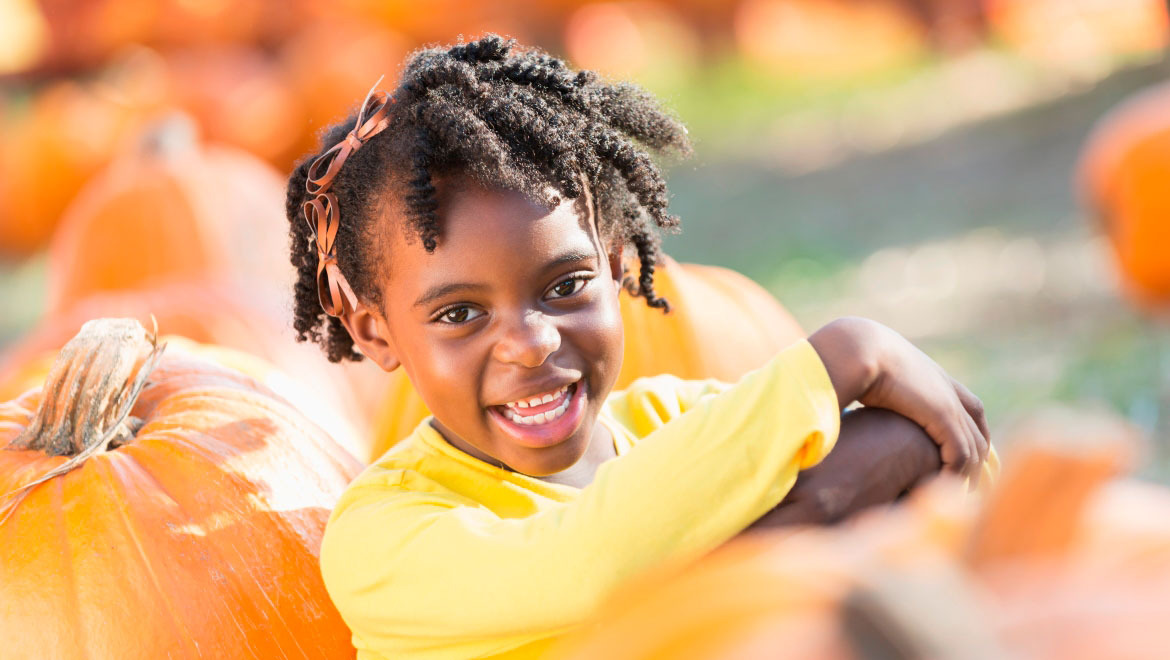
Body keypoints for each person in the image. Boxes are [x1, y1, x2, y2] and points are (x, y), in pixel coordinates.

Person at [284, 35, 992, 659]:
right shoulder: (378, 539)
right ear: (375, 331)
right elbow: (583, 561)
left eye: (564, 287)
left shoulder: (674, 423)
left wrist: (889, 469)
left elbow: (956, 467)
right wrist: (841, 361)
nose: (530, 345)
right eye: (461, 312)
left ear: (618, 259)